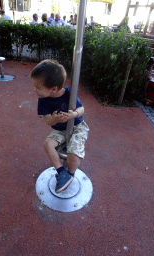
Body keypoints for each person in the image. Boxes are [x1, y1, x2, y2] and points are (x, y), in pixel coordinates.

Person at [30, 59, 89, 194]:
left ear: (54, 89)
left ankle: (71, 174)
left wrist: (73, 114)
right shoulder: (43, 101)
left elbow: (82, 109)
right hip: (60, 129)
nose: (34, 90)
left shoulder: (70, 93)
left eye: (38, 87)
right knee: (47, 144)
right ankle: (62, 173)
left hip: (77, 126)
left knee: (73, 154)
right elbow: (48, 121)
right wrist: (55, 118)